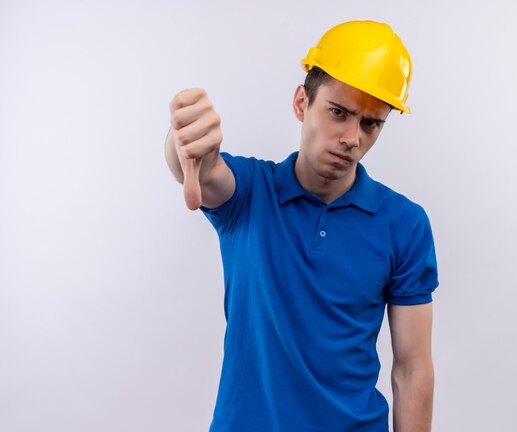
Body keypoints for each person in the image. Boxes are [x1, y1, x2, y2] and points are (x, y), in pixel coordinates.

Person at [165, 20, 439, 432]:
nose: (352, 138)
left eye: (370, 123)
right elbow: (205, 173)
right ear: (301, 102)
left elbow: (412, 369)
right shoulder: (250, 194)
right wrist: (182, 137)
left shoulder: (405, 224)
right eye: (338, 112)